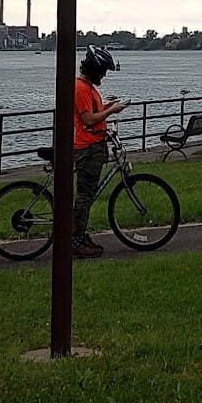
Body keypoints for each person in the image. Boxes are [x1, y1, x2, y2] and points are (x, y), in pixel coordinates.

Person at [71, 45, 126, 257]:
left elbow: (93, 112)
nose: (103, 75)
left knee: (87, 195)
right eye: (102, 71)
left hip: (94, 145)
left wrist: (107, 107)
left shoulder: (87, 88)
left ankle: (79, 235)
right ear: (94, 69)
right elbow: (88, 119)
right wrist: (110, 111)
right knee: (85, 196)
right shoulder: (82, 89)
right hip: (87, 148)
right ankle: (76, 241)